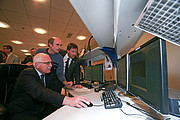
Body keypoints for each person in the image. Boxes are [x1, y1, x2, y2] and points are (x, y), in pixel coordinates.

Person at [7, 53, 91, 120]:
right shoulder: (27, 73)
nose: (51, 65)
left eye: (51, 62)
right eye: (47, 63)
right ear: (37, 65)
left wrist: (65, 86)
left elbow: (51, 90)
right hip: (23, 111)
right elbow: (40, 92)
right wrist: (67, 100)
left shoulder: (46, 74)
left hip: (39, 107)